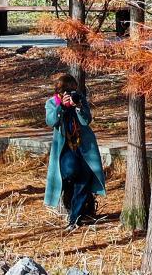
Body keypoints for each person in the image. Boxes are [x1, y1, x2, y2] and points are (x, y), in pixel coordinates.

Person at [44, 72, 106, 229]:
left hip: (84, 148)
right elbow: (51, 121)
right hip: (65, 148)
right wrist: (62, 107)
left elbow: (86, 121)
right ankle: (68, 197)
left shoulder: (79, 100)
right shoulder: (52, 103)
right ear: (59, 92)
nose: (71, 95)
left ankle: (75, 218)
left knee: (84, 180)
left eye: (74, 91)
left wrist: (78, 106)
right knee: (70, 172)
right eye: (67, 92)